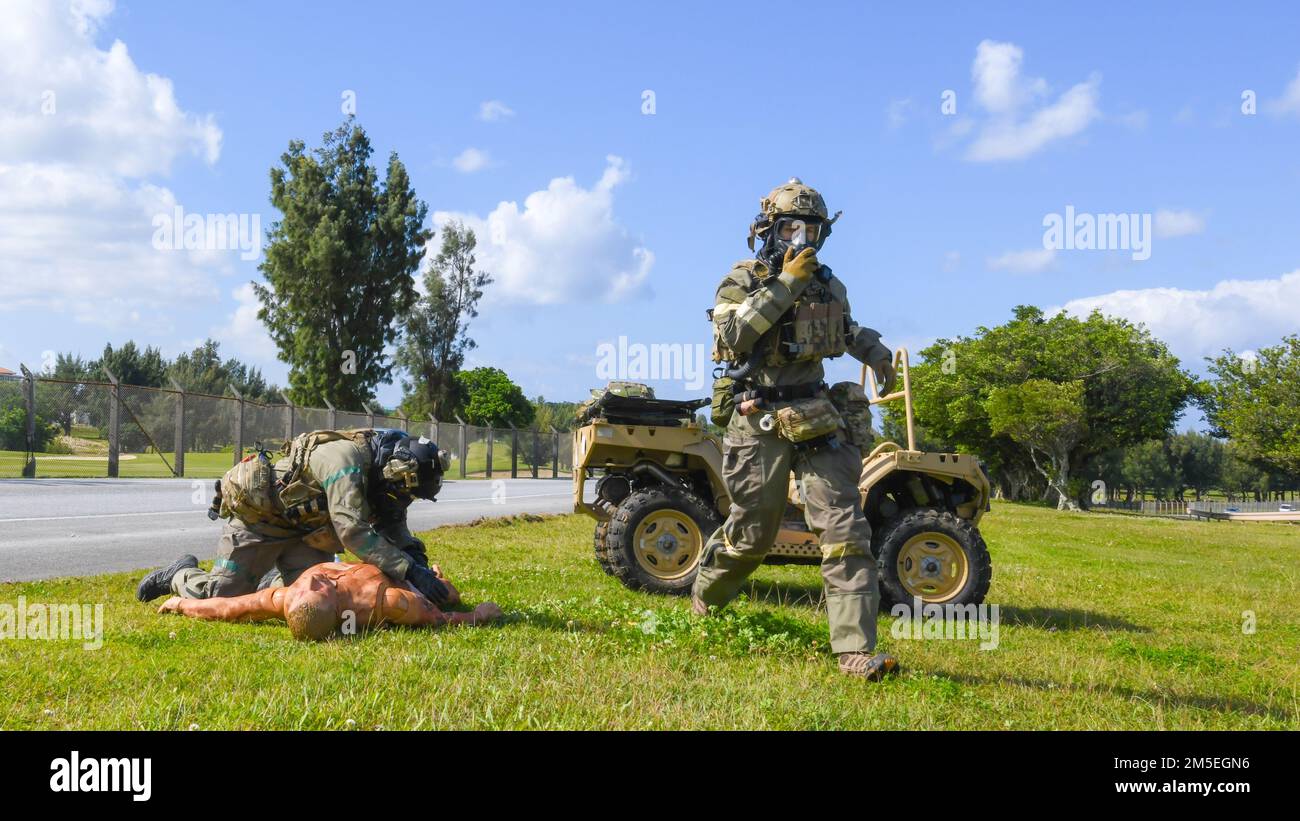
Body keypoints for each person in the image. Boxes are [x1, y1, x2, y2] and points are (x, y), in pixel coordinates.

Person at [694, 178, 900, 681]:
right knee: (753, 534)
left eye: (810, 228)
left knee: (845, 528)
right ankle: (706, 595)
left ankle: (854, 650)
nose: (800, 236)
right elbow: (732, 335)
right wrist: (784, 285)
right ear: (769, 230)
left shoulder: (828, 284)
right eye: (790, 226)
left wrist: (876, 354)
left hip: (815, 414)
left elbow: (844, 329)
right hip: (757, 417)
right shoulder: (743, 279)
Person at [136, 428, 453, 607]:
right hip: (262, 522)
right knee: (218, 597)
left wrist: (416, 563)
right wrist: (408, 569)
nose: (404, 501)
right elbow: (351, 530)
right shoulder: (345, 460)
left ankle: (270, 579)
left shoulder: (390, 481)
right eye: (404, 493)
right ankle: (179, 573)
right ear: (392, 469)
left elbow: (393, 523)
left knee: (317, 600)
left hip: (307, 536)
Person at [157, 560, 502, 641]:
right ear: (336, 607)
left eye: (309, 584)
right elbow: (437, 618)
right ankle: (436, 574)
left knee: (225, 590)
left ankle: (180, 573)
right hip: (404, 576)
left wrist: (181, 605)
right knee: (447, 593)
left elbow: (231, 609)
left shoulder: (292, 597)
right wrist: (478, 616)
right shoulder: (389, 601)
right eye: (315, 586)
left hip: (276, 578)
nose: (311, 578)